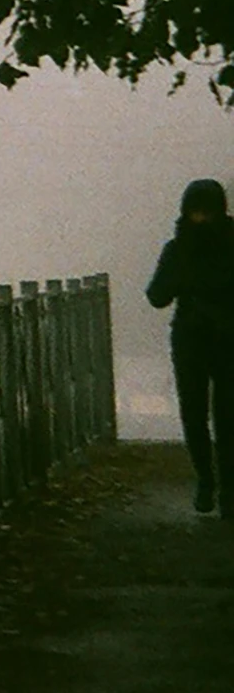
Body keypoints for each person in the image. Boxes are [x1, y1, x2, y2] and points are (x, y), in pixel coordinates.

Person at [146, 177, 234, 515]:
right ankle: (215, 485)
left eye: (204, 212)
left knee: (209, 415)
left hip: (199, 339)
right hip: (211, 340)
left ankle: (214, 486)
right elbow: (157, 296)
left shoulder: (179, 247)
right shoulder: (184, 248)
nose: (201, 219)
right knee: (210, 415)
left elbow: (157, 296)